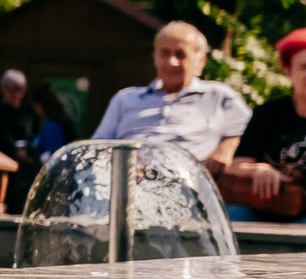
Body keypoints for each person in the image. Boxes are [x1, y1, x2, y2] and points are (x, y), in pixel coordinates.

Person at [91, 22, 251, 170]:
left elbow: (252, 133)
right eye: (164, 53)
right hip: (129, 186)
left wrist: (228, 146)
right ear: (155, 58)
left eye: (180, 55)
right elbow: (95, 149)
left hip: (189, 190)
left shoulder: (220, 96)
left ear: (200, 61)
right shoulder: (125, 99)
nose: (171, 62)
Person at [223, 27, 306, 222]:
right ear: (288, 71)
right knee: (233, 218)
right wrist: (259, 169)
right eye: (304, 67)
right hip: (263, 206)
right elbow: (236, 165)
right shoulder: (267, 114)